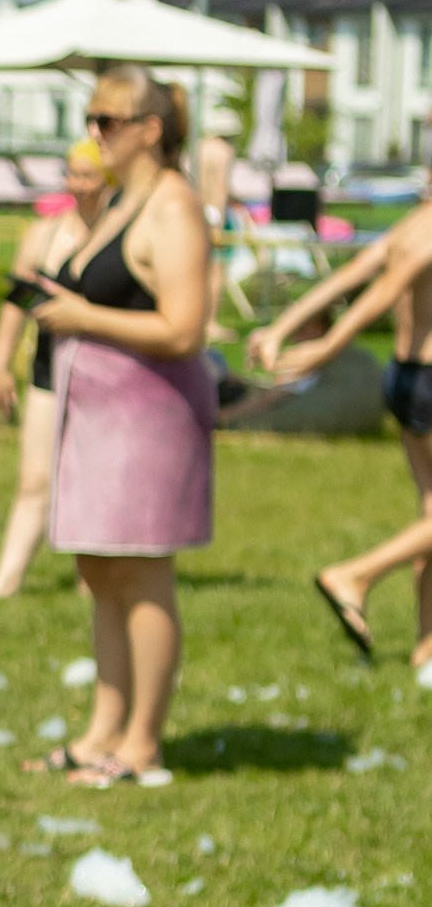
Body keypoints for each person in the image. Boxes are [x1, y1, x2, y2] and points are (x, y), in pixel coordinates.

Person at [28, 67, 214, 784]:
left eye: (107, 120)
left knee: (141, 572)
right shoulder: (123, 202)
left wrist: (83, 316)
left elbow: (185, 327)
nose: (94, 132)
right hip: (100, 420)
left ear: (150, 129)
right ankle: (102, 731)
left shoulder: (173, 207)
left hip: (149, 421)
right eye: (91, 117)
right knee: (101, 569)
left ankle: (142, 745)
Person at [247, 178, 432, 667]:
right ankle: (354, 577)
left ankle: (426, 649)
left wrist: (281, 327)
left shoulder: (413, 225)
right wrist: (326, 348)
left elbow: (348, 276)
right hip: (428, 380)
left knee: (429, 518)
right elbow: (385, 289)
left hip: (406, 377)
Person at [0, 137, 110, 605]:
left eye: (87, 176)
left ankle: (93, 580)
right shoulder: (44, 235)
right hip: (49, 368)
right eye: (72, 174)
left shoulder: (118, 234)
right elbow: (17, 303)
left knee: (95, 480)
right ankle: (5, 580)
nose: (78, 185)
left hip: (104, 371)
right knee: (34, 479)